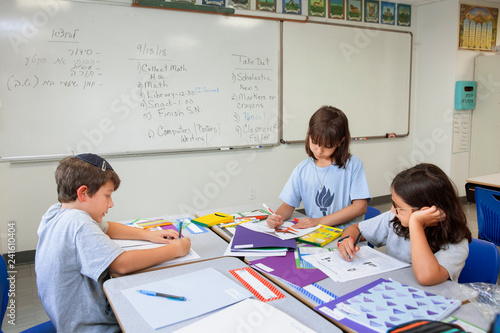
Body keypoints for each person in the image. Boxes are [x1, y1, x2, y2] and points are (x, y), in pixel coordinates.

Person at [35, 153, 191, 332]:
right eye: (107, 196)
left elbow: (107, 227)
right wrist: (175, 250)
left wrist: (148, 235)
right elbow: (121, 264)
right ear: (83, 193)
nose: (111, 204)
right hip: (94, 327)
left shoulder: (56, 212)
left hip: (66, 318)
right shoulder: (78, 223)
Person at [338, 163, 472, 286]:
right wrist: (347, 240)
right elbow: (355, 228)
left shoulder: (456, 241)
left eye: (398, 207)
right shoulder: (395, 218)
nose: (392, 210)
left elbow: (426, 277)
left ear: (425, 212)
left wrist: (416, 224)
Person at [267, 106, 371, 230]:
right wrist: (277, 217)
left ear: (340, 141)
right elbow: (287, 206)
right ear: (309, 132)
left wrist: (319, 221)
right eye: (315, 142)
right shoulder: (302, 169)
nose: (319, 151)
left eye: (327, 146)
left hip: (346, 235)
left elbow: (360, 207)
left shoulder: (352, 164)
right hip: (316, 234)